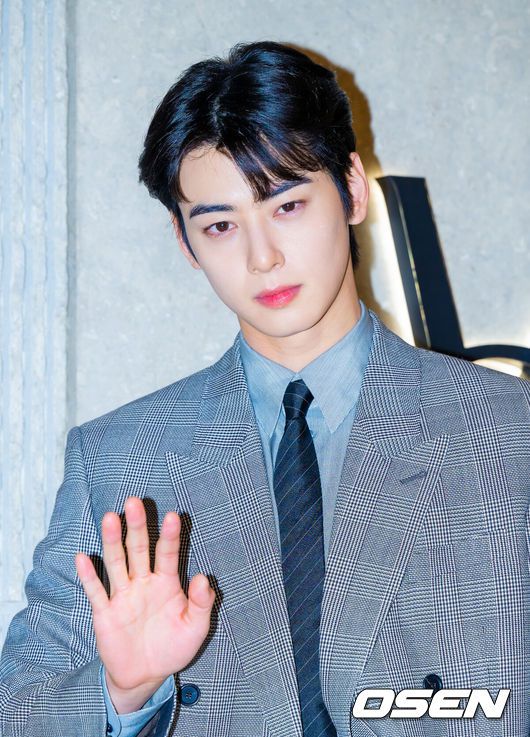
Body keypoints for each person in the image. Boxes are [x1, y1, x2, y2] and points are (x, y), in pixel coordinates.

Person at [0, 40, 529, 737]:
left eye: (286, 205)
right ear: (186, 242)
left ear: (352, 190)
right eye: (221, 225)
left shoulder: (507, 433)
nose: (262, 257)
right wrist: (123, 691)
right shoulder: (121, 460)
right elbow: (19, 711)